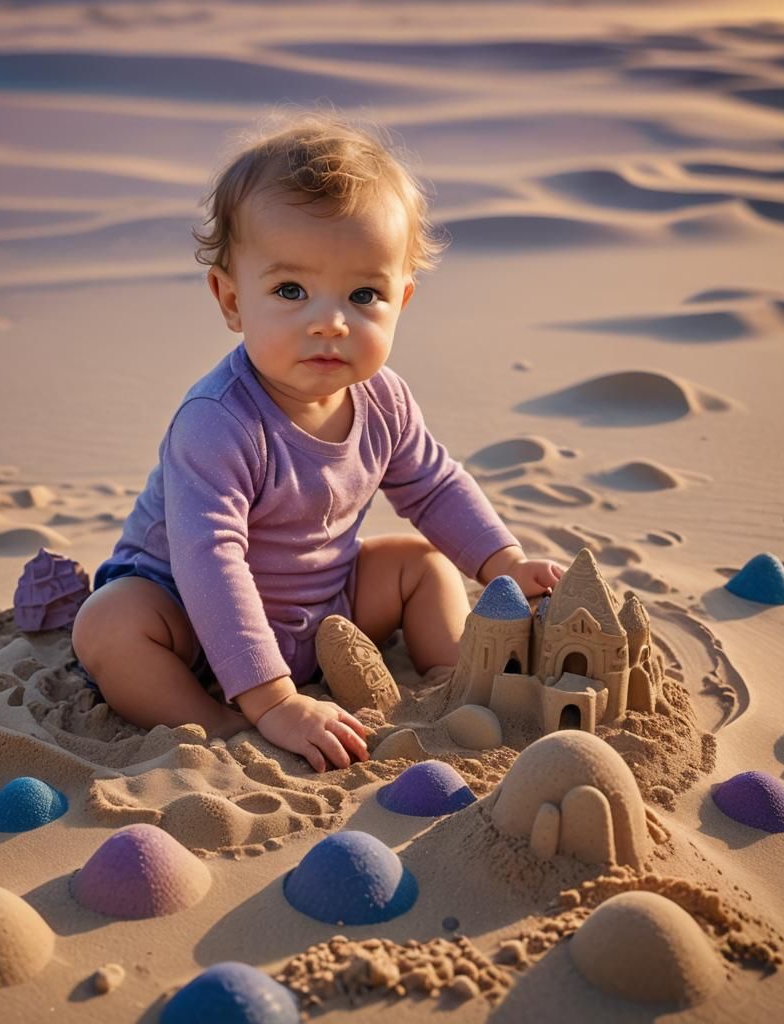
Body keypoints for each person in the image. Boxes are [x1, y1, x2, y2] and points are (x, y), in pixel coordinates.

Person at [72, 112, 563, 773]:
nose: (330, 322)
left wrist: (504, 562)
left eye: (363, 294)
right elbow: (209, 560)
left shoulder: (384, 399)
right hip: (190, 618)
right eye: (291, 290)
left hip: (326, 604)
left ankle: (453, 682)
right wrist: (274, 702)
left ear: (402, 301)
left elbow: (434, 486)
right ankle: (220, 724)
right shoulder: (217, 422)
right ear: (230, 300)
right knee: (109, 624)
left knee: (424, 566)